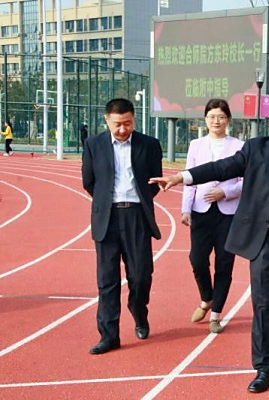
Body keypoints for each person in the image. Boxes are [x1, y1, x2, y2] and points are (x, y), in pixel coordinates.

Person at [149, 102, 269, 393]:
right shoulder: (256, 150)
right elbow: (221, 168)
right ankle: (265, 368)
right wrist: (182, 177)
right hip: (265, 244)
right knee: (265, 307)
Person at [82, 98, 163, 355]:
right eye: (117, 124)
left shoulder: (149, 145)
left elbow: (153, 182)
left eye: (127, 123)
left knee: (141, 276)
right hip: (107, 217)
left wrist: (136, 200)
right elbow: (89, 182)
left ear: (134, 119)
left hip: (137, 216)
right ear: (107, 120)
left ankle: (139, 312)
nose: (122, 129)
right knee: (107, 280)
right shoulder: (93, 145)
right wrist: (108, 201)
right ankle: (109, 335)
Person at [182, 99, 244, 334]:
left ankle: (216, 314)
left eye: (221, 116)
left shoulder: (239, 146)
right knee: (197, 259)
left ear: (228, 119)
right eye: (211, 117)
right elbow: (189, 179)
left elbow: (246, 181)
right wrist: (186, 209)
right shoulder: (196, 145)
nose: (216, 121)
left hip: (228, 213)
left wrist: (225, 192)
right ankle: (206, 298)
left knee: (224, 264)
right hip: (201, 211)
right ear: (205, 119)